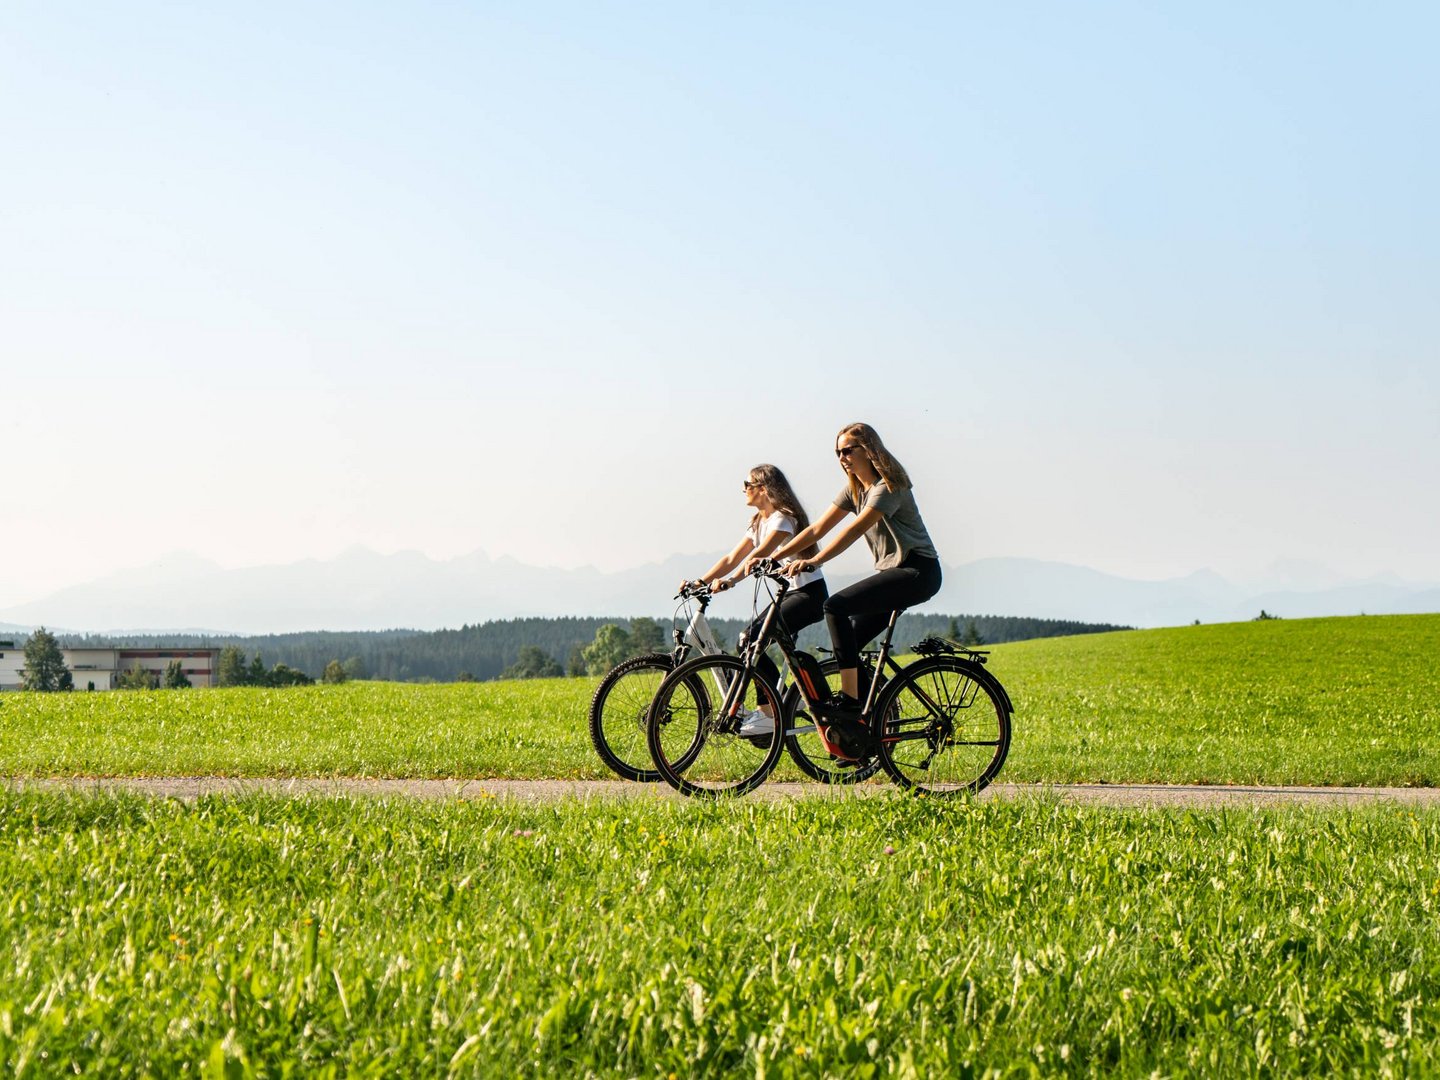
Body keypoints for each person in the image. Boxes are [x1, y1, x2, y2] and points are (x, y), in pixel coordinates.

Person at [772, 423, 942, 756]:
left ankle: (850, 702)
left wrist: (815, 560)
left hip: (917, 571)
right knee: (851, 636)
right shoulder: (854, 490)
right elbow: (818, 529)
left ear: (869, 450)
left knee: (835, 607)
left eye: (848, 450)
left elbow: (853, 530)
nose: (842, 457)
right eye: (838, 452)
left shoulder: (888, 486)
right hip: (894, 572)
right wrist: (773, 557)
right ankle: (867, 727)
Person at [680, 464, 827, 736]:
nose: (743, 490)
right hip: (789, 594)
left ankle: (770, 712)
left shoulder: (783, 518)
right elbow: (732, 558)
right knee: (748, 642)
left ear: (763, 488)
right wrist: (700, 581)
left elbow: (761, 554)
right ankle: (779, 704)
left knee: (750, 640)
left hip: (809, 595)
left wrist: (732, 581)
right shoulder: (759, 521)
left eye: (747, 484)